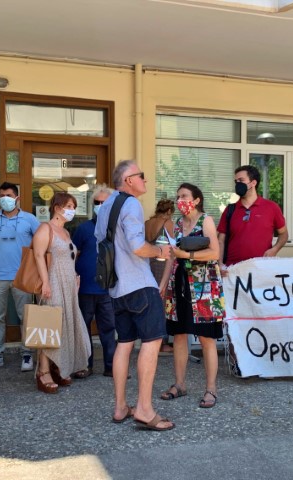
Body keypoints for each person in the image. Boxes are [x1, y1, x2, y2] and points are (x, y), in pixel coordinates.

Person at [95, 160, 174, 431]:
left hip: (116, 287)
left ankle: (120, 407)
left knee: (124, 343)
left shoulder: (106, 205)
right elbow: (138, 247)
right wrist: (160, 251)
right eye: (142, 175)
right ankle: (144, 409)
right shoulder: (131, 204)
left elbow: (101, 242)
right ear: (129, 180)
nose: (145, 180)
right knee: (152, 342)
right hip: (139, 284)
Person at [158, 183, 225, 408]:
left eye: (184, 196)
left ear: (196, 200)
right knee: (179, 335)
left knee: (206, 338)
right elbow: (171, 257)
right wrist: (163, 284)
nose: (180, 200)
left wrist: (187, 255)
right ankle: (179, 384)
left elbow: (214, 252)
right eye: (178, 196)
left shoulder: (206, 220)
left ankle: (211, 389)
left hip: (204, 287)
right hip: (179, 285)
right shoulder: (177, 224)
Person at [31, 193, 92, 393]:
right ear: (57, 207)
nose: (72, 210)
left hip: (68, 284)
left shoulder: (65, 231)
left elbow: (69, 257)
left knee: (64, 324)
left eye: (73, 206)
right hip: (53, 283)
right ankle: (43, 371)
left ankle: (58, 366)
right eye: (69, 206)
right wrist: (46, 282)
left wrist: (75, 276)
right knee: (49, 326)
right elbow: (38, 255)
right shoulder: (45, 228)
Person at [0, 182, 40, 372]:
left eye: (9, 195)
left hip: (23, 276)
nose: (5, 198)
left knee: (25, 316)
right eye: (2, 195)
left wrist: (37, 266)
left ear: (17, 198)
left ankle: (27, 353)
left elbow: (42, 241)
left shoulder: (29, 219)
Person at [71, 184, 118, 377]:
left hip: (108, 288)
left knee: (109, 329)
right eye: (97, 203)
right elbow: (73, 254)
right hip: (85, 287)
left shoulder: (118, 228)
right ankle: (85, 365)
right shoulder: (83, 228)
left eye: (104, 203)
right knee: (84, 328)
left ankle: (111, 366)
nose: (100, 206)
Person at [217, 165, 288, 272]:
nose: (238, 184)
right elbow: (221, 240)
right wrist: (220, 264)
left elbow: (284, 234)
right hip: (233, 269)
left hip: (261, 268)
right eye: (236, 181)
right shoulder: (230, 210)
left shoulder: (271, 207)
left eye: (241, 180)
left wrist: (275, 249)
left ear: (253, 183)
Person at [145, 198, 176, 354]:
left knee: (151, 303)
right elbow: (173, 246)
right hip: (162, 265)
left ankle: (149, 339)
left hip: (148, 264)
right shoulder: (168, 223)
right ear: (169, 211)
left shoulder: (147, 223)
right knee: (162, 304)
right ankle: (162, 343)